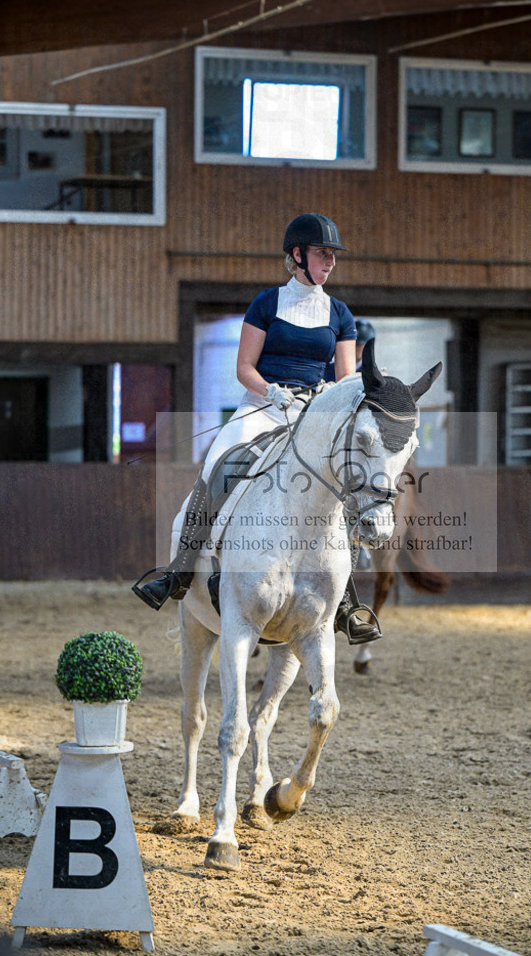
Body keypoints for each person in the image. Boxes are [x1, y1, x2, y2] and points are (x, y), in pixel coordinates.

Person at [133, 212, 381, 643]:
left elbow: (344, 378)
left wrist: (328, 395)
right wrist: (271, 392)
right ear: (298, 255)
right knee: (218, 468)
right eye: (323, 253)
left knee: (338, 491)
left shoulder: (340, 313)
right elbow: (243, 367)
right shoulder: (267, 304)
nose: (331, 262)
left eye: (333, 255)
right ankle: (180, 570)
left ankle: (344, 602)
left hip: (311, 417)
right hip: (263, 408)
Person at [324, 318, 375, 382]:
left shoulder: (371, 374)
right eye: (352, 344)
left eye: (358, 345)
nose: (354, 348)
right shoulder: (327, 370)